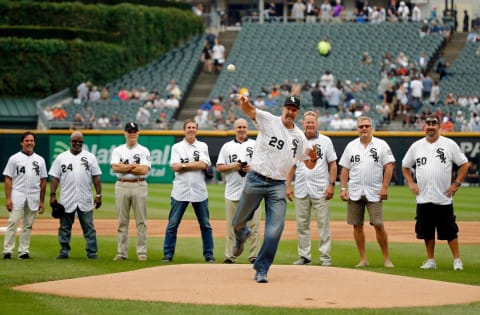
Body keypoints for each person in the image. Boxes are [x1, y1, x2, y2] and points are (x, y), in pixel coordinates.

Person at [232, 95, 318, 283]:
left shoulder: (299, 137)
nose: (290, 111)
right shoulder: (269, 120)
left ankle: (262, 269)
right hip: (255, 179)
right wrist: (245, 102)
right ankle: (241, 234)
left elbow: (309, 165)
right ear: (283, 108)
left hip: (277, 185)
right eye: (288, 107)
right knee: (238, 221)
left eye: (294, 109)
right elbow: (250, 111)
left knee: (274, 230)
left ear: (298, 113)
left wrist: (314, 158)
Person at [401, 115, 469, 270]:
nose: (431, 126)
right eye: (428, 124)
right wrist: (411, 182)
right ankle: (431, 260)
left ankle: (457, 260)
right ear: (424, 126)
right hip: (423, 197)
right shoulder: (416, 146)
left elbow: (464, 164)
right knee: (427, 231)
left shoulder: (449, 144)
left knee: (450, 230)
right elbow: (405, 165)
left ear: (439, 126)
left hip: (443, 196)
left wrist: (456, 184)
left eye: (434, 123)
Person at [339, 116, 395, 268]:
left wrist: (385, 187)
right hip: (355, 190)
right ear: (357, 129)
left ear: (372, 128)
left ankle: (386, 259)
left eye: (367, 126)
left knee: (378, 224)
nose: (364, 129)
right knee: (357, 225)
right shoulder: (351, 146)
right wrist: (343, 188)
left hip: (374, 191)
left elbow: (389, 166)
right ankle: (363, 258)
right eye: (361, 126)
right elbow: (345, 168)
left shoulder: (381, 145)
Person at [286, 111, 337, 266]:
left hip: (320, 187)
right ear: (303, 123)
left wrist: (332, 184)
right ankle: (304, 256)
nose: (309, 125)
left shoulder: (326, 141)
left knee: (323, 224)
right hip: (301, 187)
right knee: (302, 224)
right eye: (307, 122)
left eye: (312, 122)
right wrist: (287, 185)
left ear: (317, 123)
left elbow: (333, 163)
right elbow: (291, 165)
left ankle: (325, 257)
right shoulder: (296, 140)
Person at [163, 119, 215, 263]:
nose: (191, 130)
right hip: (180, 191)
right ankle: (168, 254)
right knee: (173, 224)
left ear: (196, 130)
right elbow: (175, 167)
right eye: (188, 127)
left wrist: (184, 165)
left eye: (193, 127)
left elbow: (204, 164)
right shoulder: (176, 147)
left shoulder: (203, 146)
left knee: (205, 225)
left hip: (199, 191)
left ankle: (209, 254)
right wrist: (194, 165)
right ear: (184, 130)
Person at [49, 131, 102, 259]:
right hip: (67, 198)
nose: (77, 143)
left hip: (85, 198)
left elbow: (96, 177)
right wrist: (52, 195)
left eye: (80, 142)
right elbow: (55, 178)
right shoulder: (61, 157)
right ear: (70, 141)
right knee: (64, 227)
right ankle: (64, 251)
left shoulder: (90, 157)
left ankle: (92, 252)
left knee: (89, 227)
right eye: (75, 141)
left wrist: (99, 195)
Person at [216, 118, 260, 264]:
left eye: (244, 127)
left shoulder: (255, 144)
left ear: (247, 129)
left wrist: (251, 168)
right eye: (239, 127)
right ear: (235, 129)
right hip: (232, 191)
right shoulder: (227, 146)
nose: (241, 129)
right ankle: (230, 255)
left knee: (254, 226)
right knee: (231, 226)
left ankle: (253, 256)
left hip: (253, 191)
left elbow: (265, 165)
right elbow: (220, 167)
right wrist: (233, 166)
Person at [2, 132, 47, 260]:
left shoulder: (40, 160)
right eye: (27, 140)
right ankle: (7, 251)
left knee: (28, 225)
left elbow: (43, 181)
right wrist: (8, 198)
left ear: (34, 143)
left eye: (31, 140)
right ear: (21, 143)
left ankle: (23, 252)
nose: (29, 143)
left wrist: (42, 201)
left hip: (33, 195)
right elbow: (8, 178)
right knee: (13, 222)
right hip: (18, 193)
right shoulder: (14, 158)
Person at [111, 122, 151, 261]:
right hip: (122, 185)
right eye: (130, 131)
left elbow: (144, 170)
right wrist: (134, 166)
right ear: (125, 133)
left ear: (138, 133)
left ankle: (142, 252)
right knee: (122, 222)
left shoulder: (144, 150)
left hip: (139, 184)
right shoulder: (118, 150)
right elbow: (115, 168)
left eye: (134, 131)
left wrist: (125, 166)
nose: (132, 133)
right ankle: (122, 253)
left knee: (141, 221)